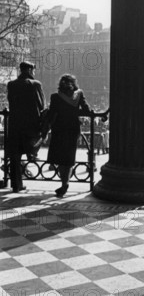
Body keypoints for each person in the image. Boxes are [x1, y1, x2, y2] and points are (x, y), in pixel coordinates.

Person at [47, 74, 91, 197]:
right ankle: (66, 182)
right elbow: (86, 110)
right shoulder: (79, 95)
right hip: (73, 129)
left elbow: (51, 114)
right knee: (69, 156)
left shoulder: (55, 97)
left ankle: (64, 183)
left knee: (60, 158)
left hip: (59, 129)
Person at [7, 61, 46, 192]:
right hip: (31, 127)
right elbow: (42, 105)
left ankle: (16, 185)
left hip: (14, 124)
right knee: (40, 139)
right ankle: (32, 154)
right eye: (33, 70)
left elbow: (11, 102)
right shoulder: (35, 84)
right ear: (29, 70)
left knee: (15, 156)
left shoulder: (11, 85)